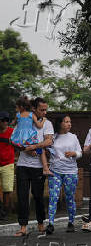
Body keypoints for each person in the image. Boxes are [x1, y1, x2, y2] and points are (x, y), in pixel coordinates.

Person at [15, 98, 54, 237]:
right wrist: (25, 148)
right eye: (41, 110)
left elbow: (49, 140)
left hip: (38, 166)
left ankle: (40, 224)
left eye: (45, 109)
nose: (44, 112)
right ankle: (23, 226)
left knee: (38, 196)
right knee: (22, 196)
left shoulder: (47, 123)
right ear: (34, 109)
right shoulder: (24, 120)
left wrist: (35, 147)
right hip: (22, 165)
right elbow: (16, 139)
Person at [45, 115, 82, 234]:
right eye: (66, 122)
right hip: (55, 171)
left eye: (70, 122)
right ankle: (50, 223)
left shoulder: (73, 137)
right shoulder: (53, 137)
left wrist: (74, 153)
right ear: (60, 123)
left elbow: (80, 152)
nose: (69, 124)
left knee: (69, 197)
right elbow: (47, 150)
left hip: (70, 172)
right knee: (53, 196)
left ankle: (71, 222)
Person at [10, 96, 51, 176]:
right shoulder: (31, 115)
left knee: (23, 145)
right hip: (29, 136)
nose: (16, 109)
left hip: (20, 136)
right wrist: (43, 120)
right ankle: (45, 168)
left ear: (21, 107)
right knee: (41, 150)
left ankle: (29, 151)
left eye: (16, 107)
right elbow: (39, 126)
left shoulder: (18, 115)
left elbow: (13, 123)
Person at [0, 111, 14, 219]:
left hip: (8, 163)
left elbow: (18, 144)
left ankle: (5, 212)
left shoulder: (12, 132)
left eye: (6, 120)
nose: (4, 122)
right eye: (2, 120)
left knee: (7, 189)